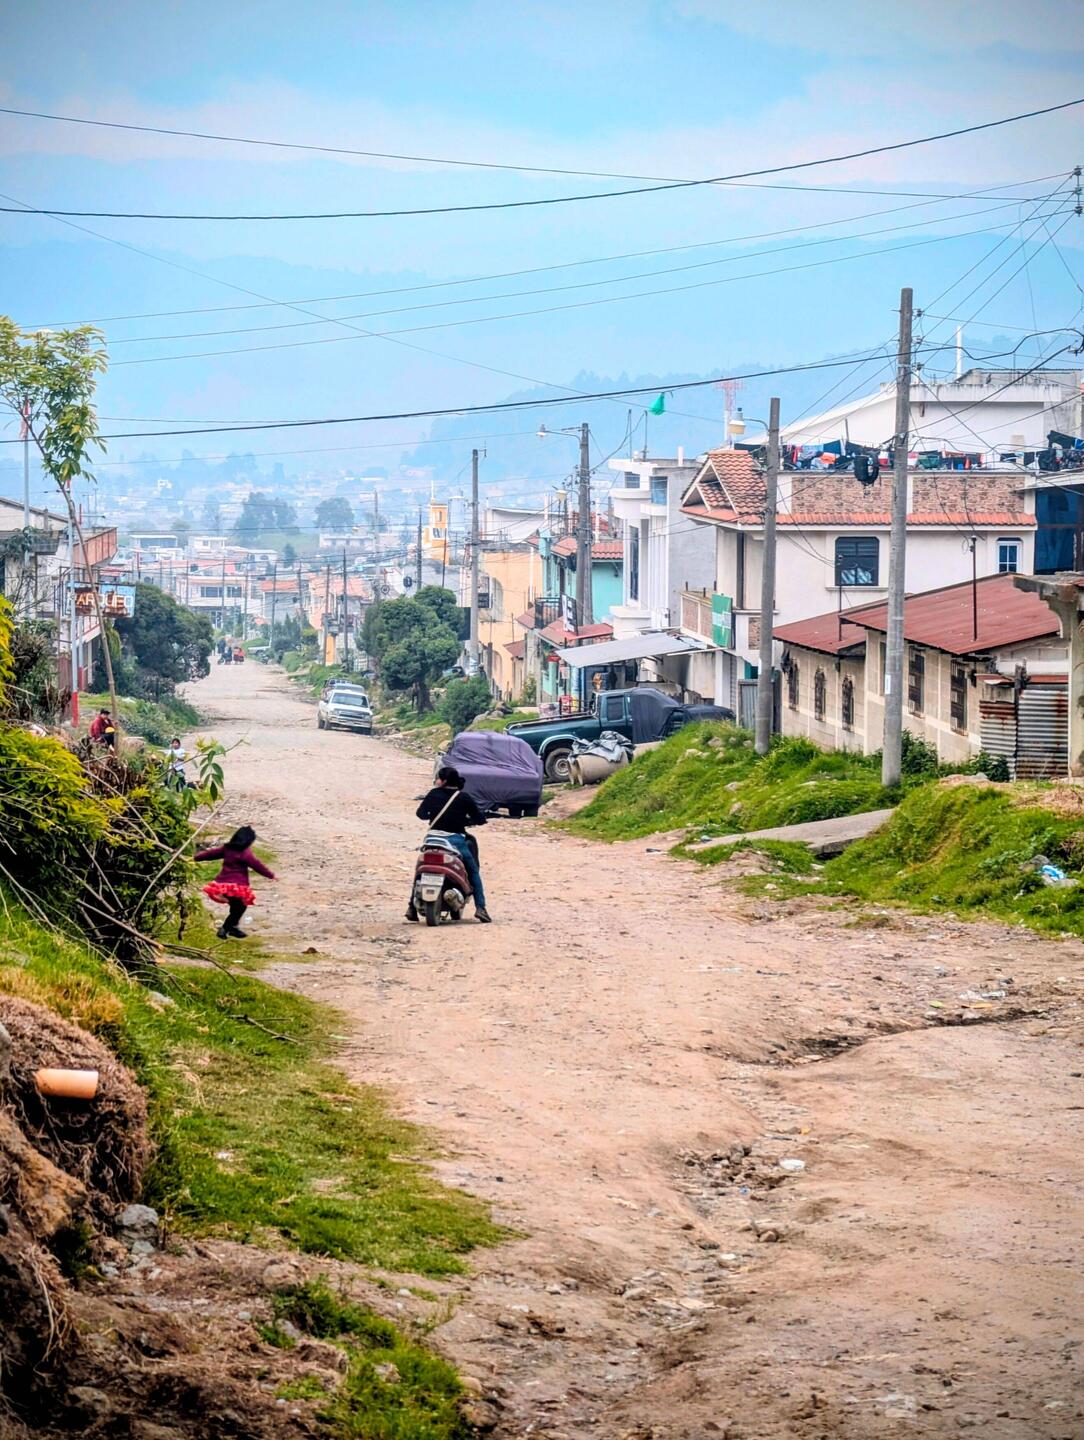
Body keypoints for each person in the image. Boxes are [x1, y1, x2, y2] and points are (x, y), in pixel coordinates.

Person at [409, 765, 491, 923]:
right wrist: (467, 821)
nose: (437, 781)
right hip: (454, 840)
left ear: (444, 781)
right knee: (473, 871)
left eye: (438, 778)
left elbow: (421, 814)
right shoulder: (464, 797)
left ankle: (411, 907)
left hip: (432, 839)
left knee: (420, 870)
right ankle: (481, 908)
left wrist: (432, 813)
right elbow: (479, 819)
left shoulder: (433, 794)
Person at [195, 826, 276, 940]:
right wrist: (271, 875)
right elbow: (257, 865)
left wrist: (196, 858)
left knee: (235, 907)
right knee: (240, 907)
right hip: (238, 887)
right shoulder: (245, 853)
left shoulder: (227, 849)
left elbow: (211, 854)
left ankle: (233, 928)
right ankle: (225, 929)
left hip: (222, 885)